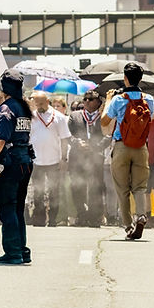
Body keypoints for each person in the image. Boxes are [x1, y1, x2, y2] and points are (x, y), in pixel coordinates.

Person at [0, 70, 34, 265]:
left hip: (9, 163)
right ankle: (22, 250)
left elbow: (0, 140)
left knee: (7, 207)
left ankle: (13, 252)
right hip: (24, 161)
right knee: (17, 208)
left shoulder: (6, 110)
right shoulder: (23, 107)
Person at [101, 63, 154, 240]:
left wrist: (109, 99)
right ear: (141, 79)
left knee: (122, 188)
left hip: (121, 145)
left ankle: (128, 226)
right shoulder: (149, 99)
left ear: (125, 78)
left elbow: (104, 121)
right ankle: (141, 215)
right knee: (140, 187)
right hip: (141, 146)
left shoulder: (118, 99)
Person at [28, 91, 71, 227]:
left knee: (54, 191)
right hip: (36, 161)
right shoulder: (31, 117)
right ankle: (39, 219)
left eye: (41, 103)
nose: (38, 106)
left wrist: (63, 159)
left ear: (48, 101)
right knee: (37, 191)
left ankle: (53, 219)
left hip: (54, 160)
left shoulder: (58, 117)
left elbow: (64, 139)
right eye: (36, 103)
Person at [68, 90, 108, 227]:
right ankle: (81, 214)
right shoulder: (75, 116)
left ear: (98, 102)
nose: (86, 101)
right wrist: (77, 142)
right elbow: (68, 135)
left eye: (91, 99)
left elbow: (108, 135)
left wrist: (96, 147)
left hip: (95, 156)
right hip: (77, 157)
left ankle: (94, 216)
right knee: (77, 186)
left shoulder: (103, 117)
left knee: (96, 187)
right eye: (85, 99)